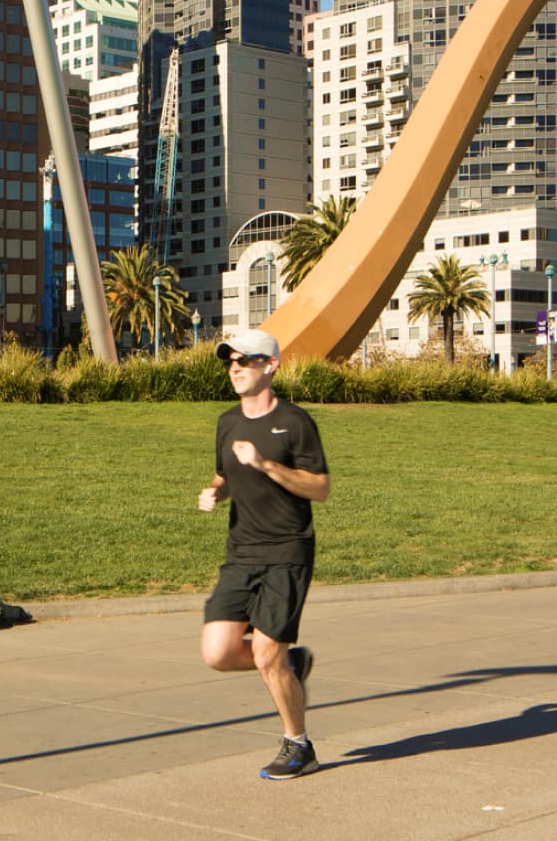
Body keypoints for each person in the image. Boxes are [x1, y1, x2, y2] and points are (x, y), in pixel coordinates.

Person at [197, 328, 331, 780]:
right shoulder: (227, 421)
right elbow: (225, 474)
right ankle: (291, 664)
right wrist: (216, 492)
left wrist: (267, 464)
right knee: (217, 653)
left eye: (246, 360)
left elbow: (320, 488)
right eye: (229, 361)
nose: (235, 367)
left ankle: (299, 744)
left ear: (271, 366)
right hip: (241, 552)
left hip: (286, 551)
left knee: (266, 654)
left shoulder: (295, 423)